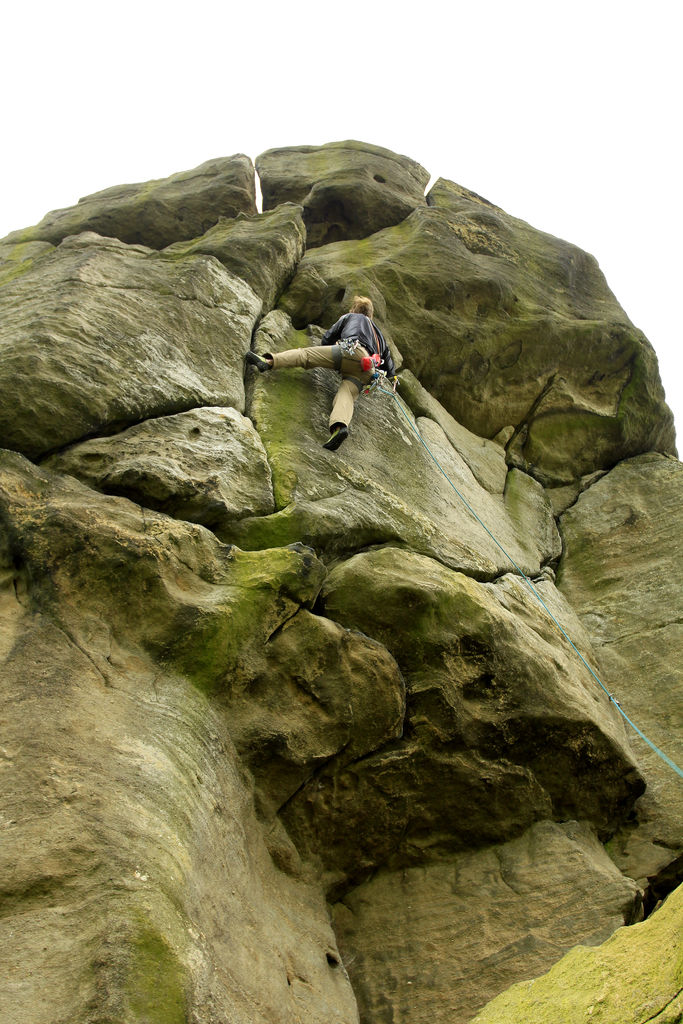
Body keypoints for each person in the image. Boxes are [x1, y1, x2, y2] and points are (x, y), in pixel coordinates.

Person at [245, 296, 397, 451]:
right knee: (347, 394)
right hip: (367, 369)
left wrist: (328, 350)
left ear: (354, 310)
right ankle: (339, 427)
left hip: (350, 350)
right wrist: (392, 377)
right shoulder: (380, 337)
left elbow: (328, 337)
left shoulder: (350, 317)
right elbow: (389, 362)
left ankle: (268, 361)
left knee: (305, 355)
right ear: (370, 315)